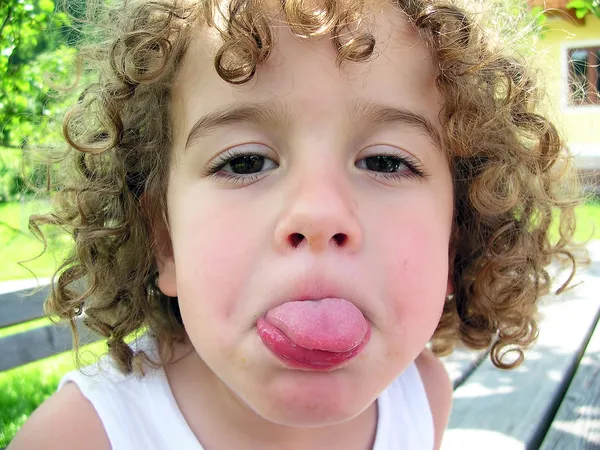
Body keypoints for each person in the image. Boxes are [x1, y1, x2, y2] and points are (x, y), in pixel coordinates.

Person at [8, 0, 581, 449]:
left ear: (458, 231)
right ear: (164, 241)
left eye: (386, 161)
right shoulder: (81, 438)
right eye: (245, 161)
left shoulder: (424, 397)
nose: (319, 212)